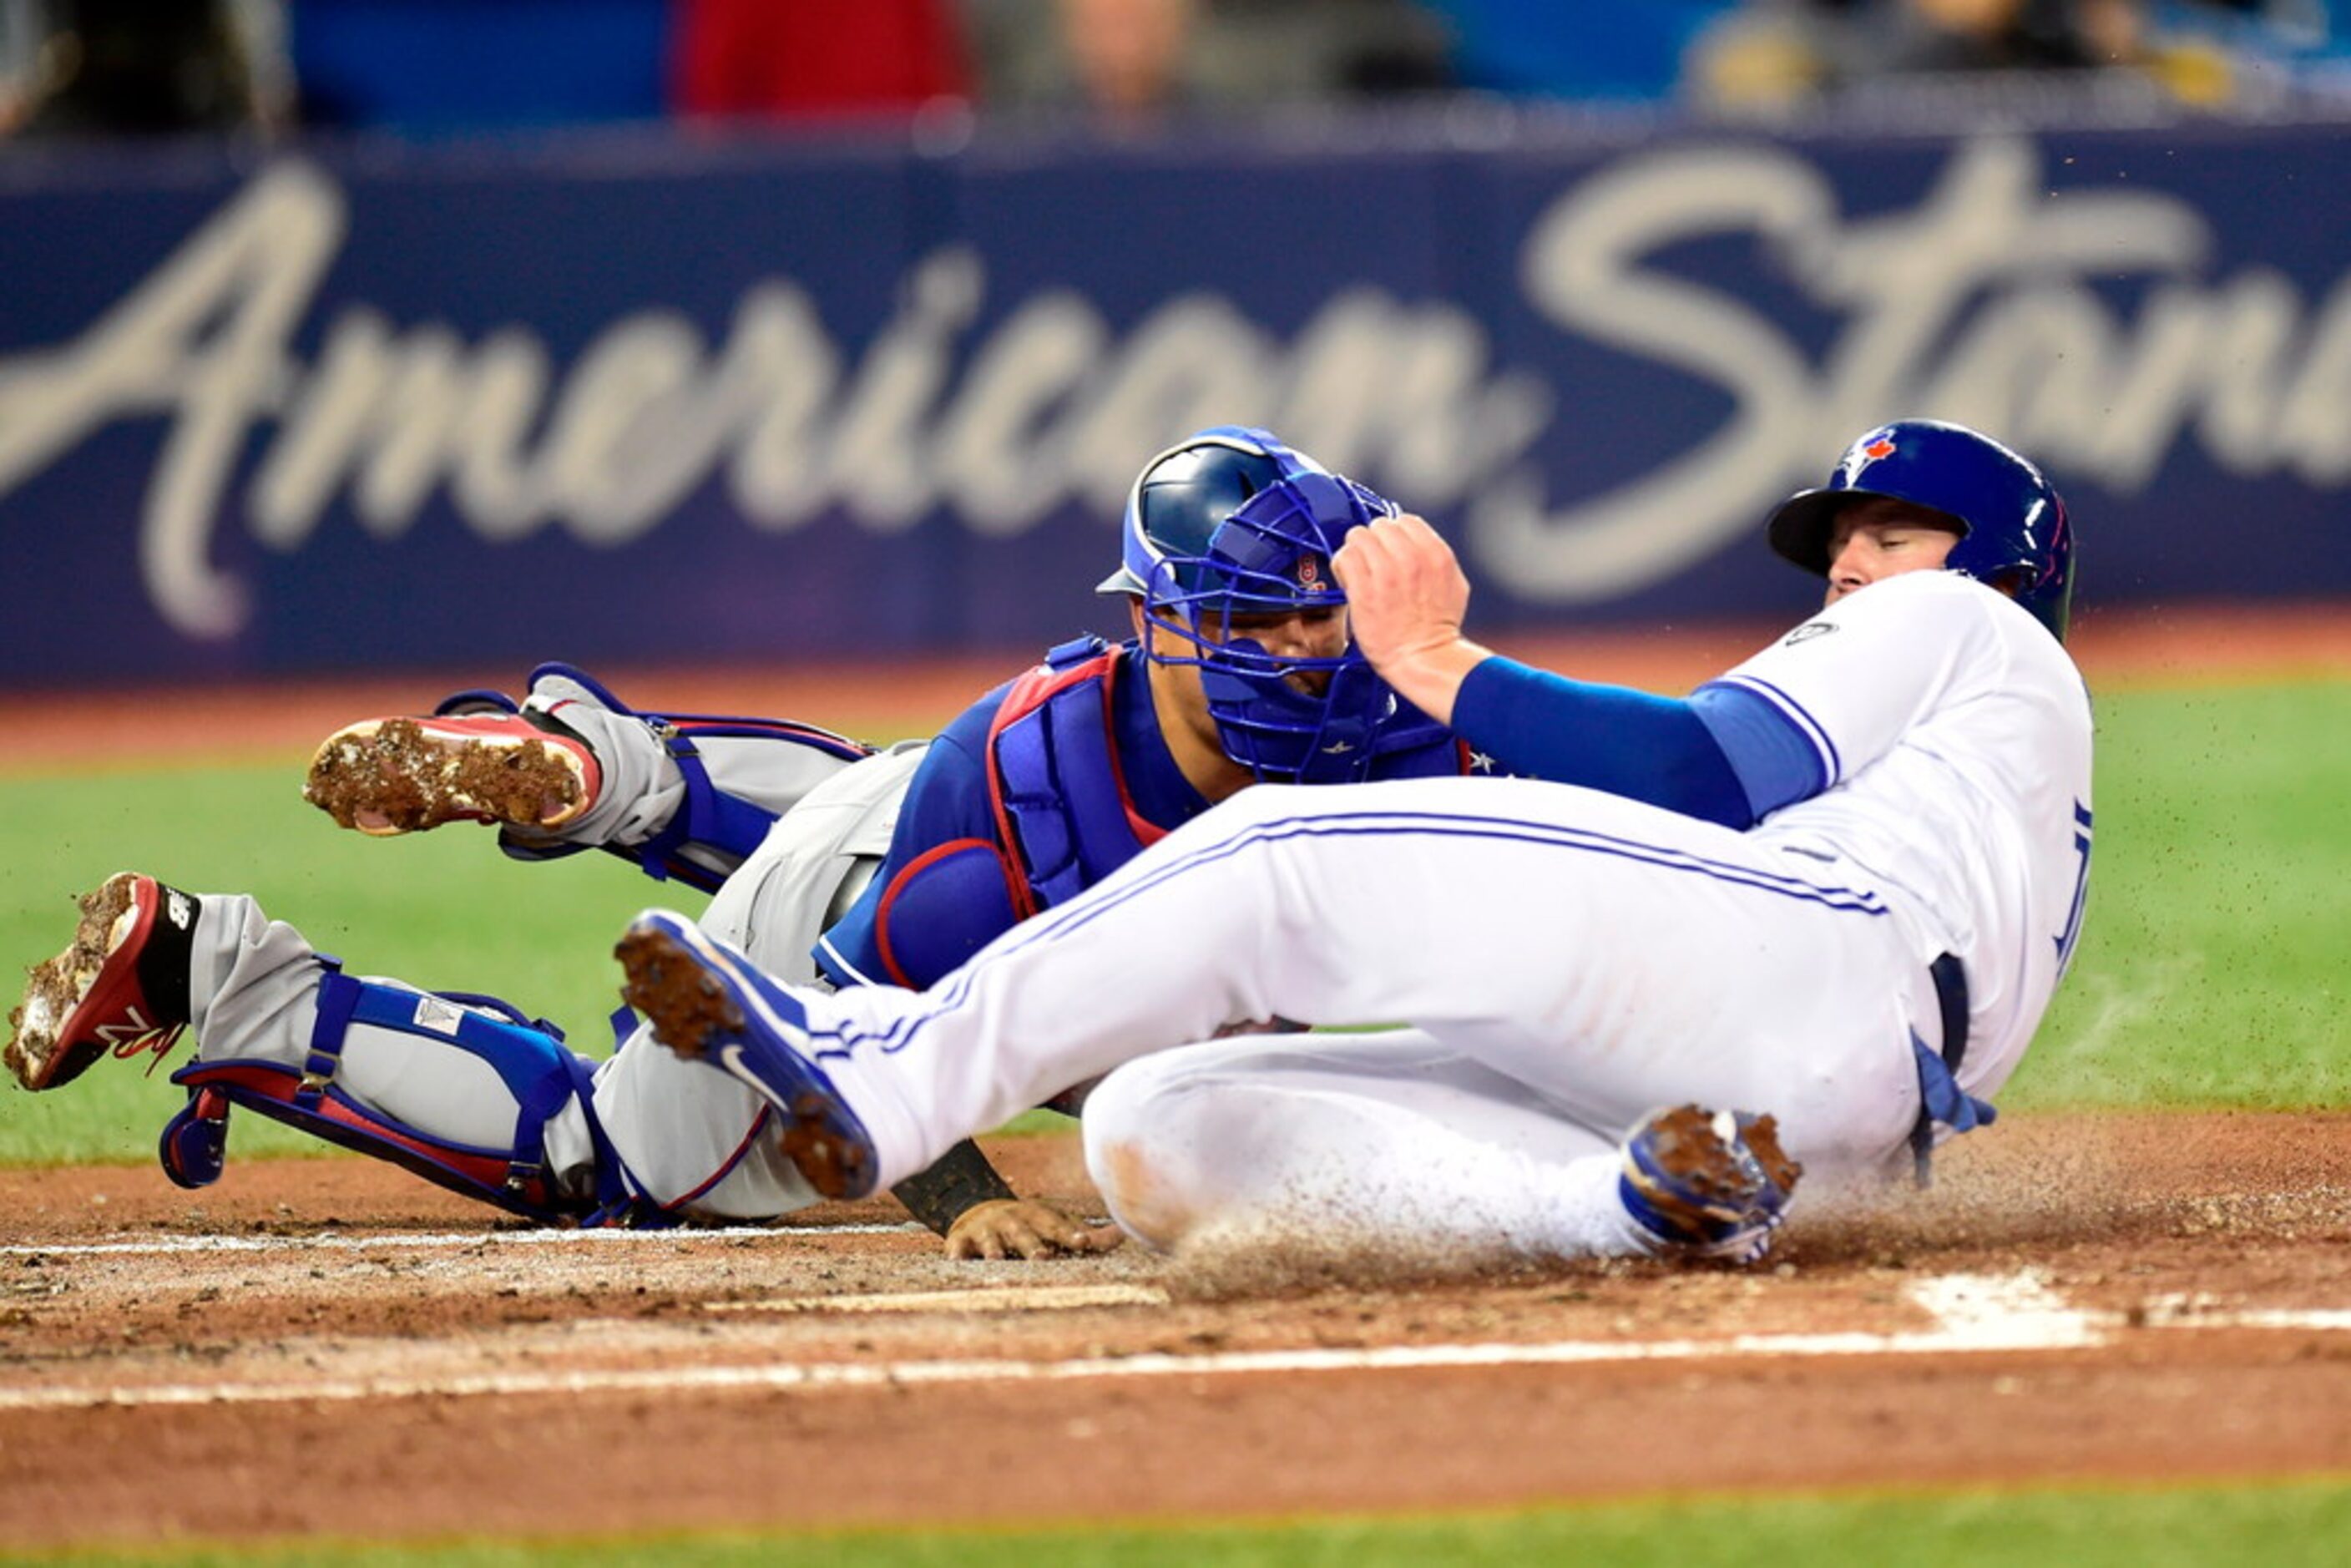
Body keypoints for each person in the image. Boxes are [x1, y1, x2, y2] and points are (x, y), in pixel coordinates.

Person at [609, 418, 2090, 1266]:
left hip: (1814, 972)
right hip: (1825, 1135)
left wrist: (1432, 658)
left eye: (1893, 532)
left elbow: (1689, 773)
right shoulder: (1972, 766)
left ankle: (894, 1072)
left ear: (2001, 573)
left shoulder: (1960, 626)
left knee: (1276, 854)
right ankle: (1629, 1210)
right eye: (1847, 534)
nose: (1852, 561)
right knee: (1157, 1126)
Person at [3, 428, 1471, 1257]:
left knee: (891, 821)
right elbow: (856, 1014)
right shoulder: (1034, 815)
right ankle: (218, 968)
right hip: (865, 931)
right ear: (1158, 627)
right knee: (600, 1159)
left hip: (892, 805)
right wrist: (960, 1196)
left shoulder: (1352, 694)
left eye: (1317, 607)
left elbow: (1574, 785)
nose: (1303, 644)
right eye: (1256, 619)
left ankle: (606, 773)